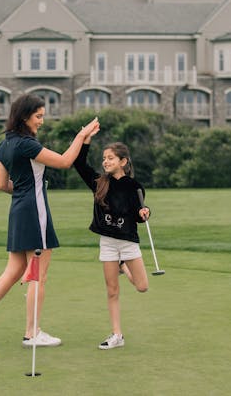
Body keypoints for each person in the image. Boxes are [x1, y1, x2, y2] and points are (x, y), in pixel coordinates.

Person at [0, 93, 100, 348]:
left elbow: (1, 185)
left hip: (18, 210)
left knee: (14, 270)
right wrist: (81, 136)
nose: (41, 121)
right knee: (38, 275)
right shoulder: (27, 144)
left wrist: (25, 189)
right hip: (35, 212)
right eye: (38, 117)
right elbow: (65, 161)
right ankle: (32, 333)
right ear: (25, 117)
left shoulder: (4, 144)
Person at [73, 136, 149, 350]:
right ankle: (117, 334)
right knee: (112, 290)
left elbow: (138, 215)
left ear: (123, 161)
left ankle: (123, 265)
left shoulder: (134, 187)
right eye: (104, 158)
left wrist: (145, 213)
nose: (105, 162)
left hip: (128, 243)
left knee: (142, 286)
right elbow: (79, 163)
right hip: (107, 241)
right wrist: (85, 140)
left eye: (111, 158)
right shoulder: (99, 182)